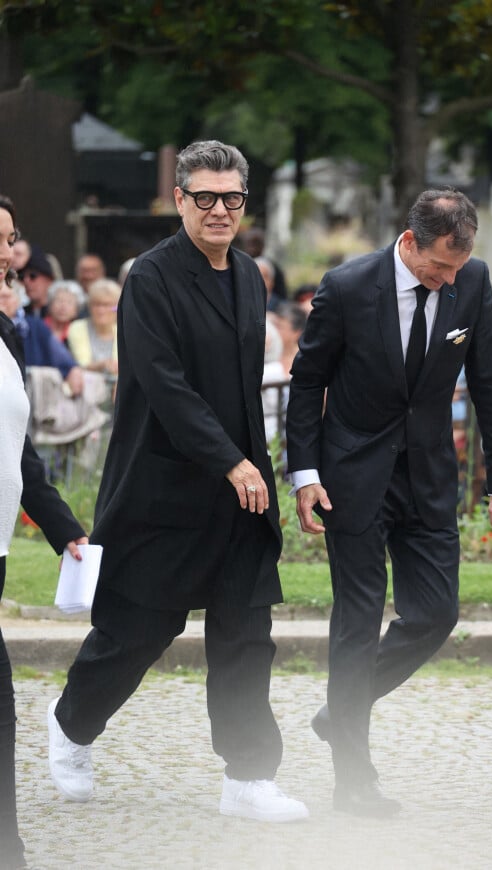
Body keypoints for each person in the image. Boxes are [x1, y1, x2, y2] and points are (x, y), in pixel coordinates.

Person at [46, 140, 308, 823]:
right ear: (180, 201)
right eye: (205, 198)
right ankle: (71, 726)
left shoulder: (250, 276)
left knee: (247, 633)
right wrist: (228, 459)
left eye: (232, 198)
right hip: (167, 490)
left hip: (241, 496)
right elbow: (165, 386)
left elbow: (245, 390)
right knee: (137, 631)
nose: (219, 210)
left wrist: (255, 465)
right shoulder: (152, 278)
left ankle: (249, 778)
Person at [285, 188, 492, 817]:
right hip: (351, 477)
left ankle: (341, 710)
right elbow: (306, 383)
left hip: (428, 479)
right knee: (356, 625)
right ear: (410, 241)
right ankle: (353, 781)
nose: (448, 281)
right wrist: (304, 473)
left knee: (436, 614)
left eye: (457, 270)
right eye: (439, 268)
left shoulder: (472, 282)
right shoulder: (345, 286)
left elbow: (490, 385)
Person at [0, 194, 87, 870]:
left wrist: (62, 529)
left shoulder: (7, 328)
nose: (9, 254)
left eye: (11, 239)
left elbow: (17, 446)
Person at [0, 282, 84, 397]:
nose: (1, 301)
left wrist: (73, 369)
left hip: (27, 394)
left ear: (18, 300)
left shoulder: (33, 325)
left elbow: (58, 354)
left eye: (6, 297)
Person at [67, 278, 121, 377]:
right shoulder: (77, 328)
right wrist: (104, 365)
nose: (101, 310)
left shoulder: (123, 331)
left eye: (106, 305)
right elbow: (82, 364)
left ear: (116, 307)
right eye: (96, 304)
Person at [43, 280, 84, 349]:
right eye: (59, 300)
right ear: (50, 305)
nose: (63, 306)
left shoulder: (80, 332)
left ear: (76, 310)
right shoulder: (38, 327)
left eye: (69, 302)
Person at [19, 245, 55, 318]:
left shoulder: (59, 314)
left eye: (33, 276)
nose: (26, 281)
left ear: (49, 279)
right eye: (22, 277)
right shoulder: (20, 314)